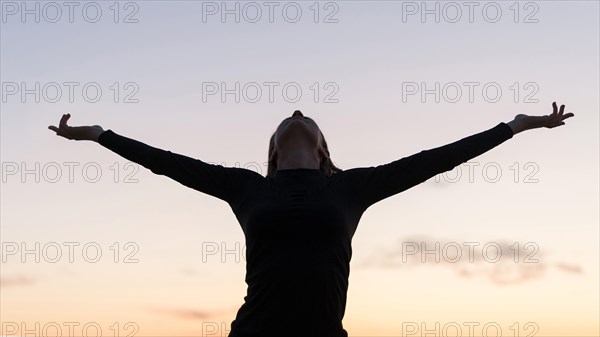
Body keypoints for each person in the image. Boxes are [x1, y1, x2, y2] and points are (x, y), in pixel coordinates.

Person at [48, 103, 574, 337]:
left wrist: (515, 127)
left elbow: (437, 158)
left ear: (324, 150)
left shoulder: (352, 187)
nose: (296, 110)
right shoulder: (244, 186)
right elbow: (169, 164)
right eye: (288, 117)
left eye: (306, 118)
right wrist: (100, 136)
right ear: (272, 152)